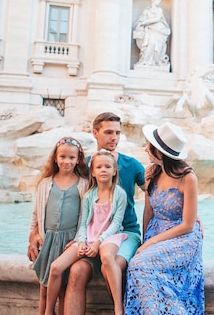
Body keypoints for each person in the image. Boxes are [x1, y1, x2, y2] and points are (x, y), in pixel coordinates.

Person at [63, 112, 146, 315]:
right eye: (108, 132)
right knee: (76, 272)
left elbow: (158, 194)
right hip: (92, 237)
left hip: (126, 233)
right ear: (95, 133)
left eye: (117, 133)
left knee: (114, 265)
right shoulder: (85, 165)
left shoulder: (132, 164)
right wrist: (36, 230)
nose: (114, 138)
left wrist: (190, 214)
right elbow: (62, 194)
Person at [124, 122, 204, 314]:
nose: (146, 149)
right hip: (155, 231)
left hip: (182, 238)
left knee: (139, 265)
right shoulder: (150, 172)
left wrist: (149, 245)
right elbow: (148, 212)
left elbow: (187, 224)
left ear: (160, 152)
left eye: (149, 146)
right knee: (139, 266)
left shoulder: (188, 177)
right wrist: (145, 240)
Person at [44, 149, 128, 315]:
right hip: (88, 236)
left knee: (107, 257)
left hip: (109, 237)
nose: (103, 170)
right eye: (99, 167)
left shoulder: (120, 194)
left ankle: (118, 308)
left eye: (107, 167)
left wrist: (98, 242)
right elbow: (83, 223)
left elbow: (116, 223)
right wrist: (81, 241)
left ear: (114, 170)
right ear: (93, 172)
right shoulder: (89, 195)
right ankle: (48, 311)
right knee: (55, 267)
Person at [27, 137, 89, 315]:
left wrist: (78, 240)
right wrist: (32, 240)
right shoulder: (46, 184)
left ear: (78, 159)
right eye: (62, 157)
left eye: (71, 158)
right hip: (48, 241)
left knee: (63, 290)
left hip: (68, 242)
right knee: (44, 290)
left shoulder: (83, 184)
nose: (67, 161)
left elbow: (85, 217)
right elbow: (35, 215)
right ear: (55, 158)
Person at [133, 0, 171, 67]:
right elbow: (141, 19)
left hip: (158, 30)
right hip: (149, 30)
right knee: (150, 43)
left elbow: (157, 19)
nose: (158, 2)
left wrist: (145, 23)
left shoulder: (159, 10)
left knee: (155, 45)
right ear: (153, 1)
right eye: (157, 0)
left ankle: (155, 62)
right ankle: (145, 61)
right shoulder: (146, 10)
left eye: (159, 1)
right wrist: (140, 24)